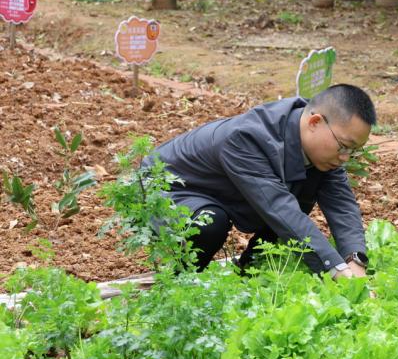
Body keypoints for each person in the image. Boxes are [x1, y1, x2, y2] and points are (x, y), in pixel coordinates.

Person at [146, 84, 375, 278]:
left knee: (300, 193)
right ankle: (177, 285)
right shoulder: (247, 138)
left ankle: (249, 274)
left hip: (223, 190)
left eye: (354, 151)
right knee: (210, 223)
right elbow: (278, 208)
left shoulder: (321, 148)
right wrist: (335, 271)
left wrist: (355, 259)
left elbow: (341, 205)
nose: (345, 157)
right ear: (314, 122)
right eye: (344, 146)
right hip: (169, 185)